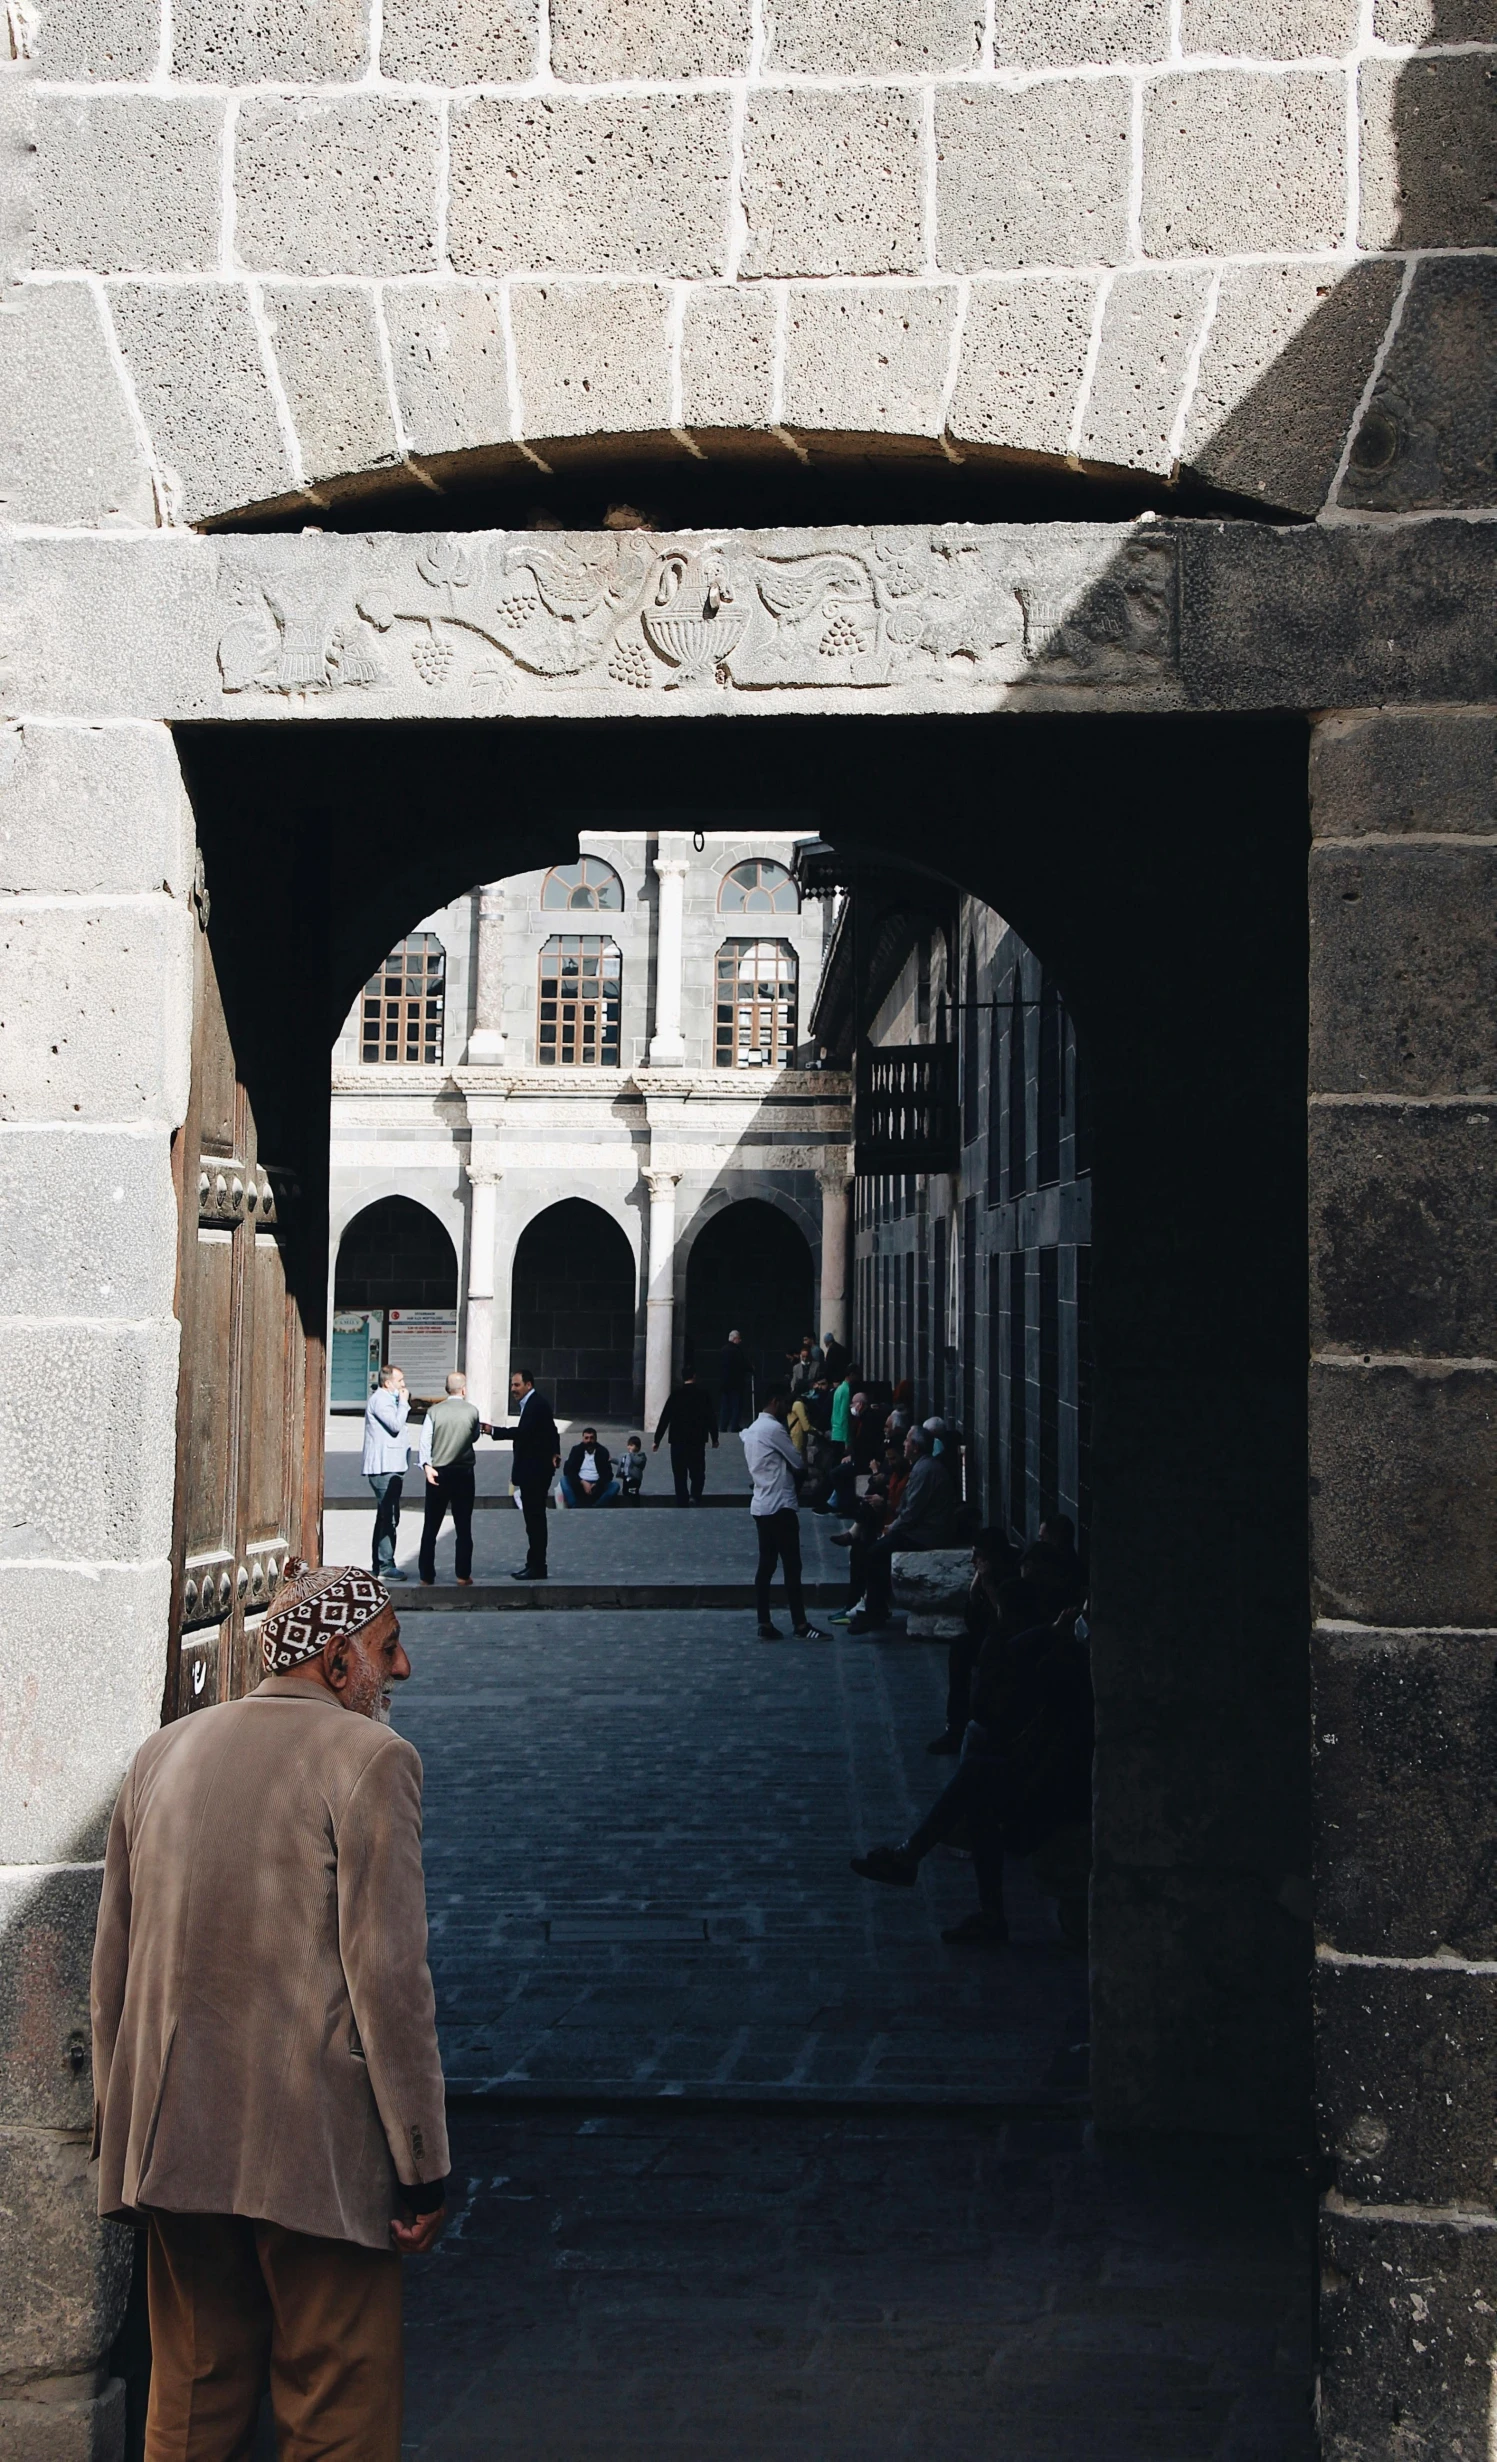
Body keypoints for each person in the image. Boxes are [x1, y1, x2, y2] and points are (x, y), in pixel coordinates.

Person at [91, 1558, 448, 2458]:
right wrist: (421, 2163)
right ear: (336, 1663)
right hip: (312, 2147)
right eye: (388, 1648)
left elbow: (114, 1972)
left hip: (171, 2144)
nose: (399, 1671)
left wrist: (119, 2130)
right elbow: (390, 1979)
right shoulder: (372, 1759)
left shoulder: (161, 1752)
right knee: (336, 2401)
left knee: (191, 2399)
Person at [851, 1598, 1094, 1947]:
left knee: (978, 1777)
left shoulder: (1064, 1668)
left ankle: (911, 1857)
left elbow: (1006, 1666)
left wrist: (1049, 1634)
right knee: (978, 1784)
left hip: (1059, 1793)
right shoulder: (1066, 1662)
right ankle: (932, 1873)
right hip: (1049, 1778)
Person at [846, 1425, 958, 1635]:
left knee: (876, 1552)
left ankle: (874, 1612)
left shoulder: (924, 1470)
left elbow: (910, 1513)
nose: (903, 1445)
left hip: (926, 1534)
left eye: (906, 1441)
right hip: (921, 1528)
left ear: (915, 1447)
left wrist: (891, 1529)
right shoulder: (922, 1467)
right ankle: (874, 1607)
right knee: (874, 1547)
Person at [741, 1386, 827, 1643]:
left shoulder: (752, 1430)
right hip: (780, 1504)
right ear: (775, 1402)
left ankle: (764, 1621)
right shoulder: (773, 1429)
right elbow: (798, 1461)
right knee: (792, 1565)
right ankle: (800, 1623)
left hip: (761, 1503)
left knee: (766, 1565)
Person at [491, 1367, 562, 1580]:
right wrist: (555, 1451)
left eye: (517, 1385)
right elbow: (552, 1430)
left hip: (536, 1472)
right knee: (533, 1520)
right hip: (535, 1470)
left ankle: (538, 1566)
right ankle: (534, 1563)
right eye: (512, 1385)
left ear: (528, 1385)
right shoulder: (533, 1403)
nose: (513, 1389)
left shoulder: (536, 1405)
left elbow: (524, 1433)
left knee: (535, 1520)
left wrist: (494, 1431)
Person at [417, 1370, 482, 1587]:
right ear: (464, 1389)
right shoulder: (472, 1411)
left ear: (446, 1389)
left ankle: (426, 1576)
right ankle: (463, 1575)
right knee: (463, 1526)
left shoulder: (434, 1411)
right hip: (464, 1473)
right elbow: (474, 1436)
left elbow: (425, 1440)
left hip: (438, 1472)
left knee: (431, 1526)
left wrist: (426, 1465)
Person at [360, 1362, 410, 1580]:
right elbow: (395, 1424)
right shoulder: (381, 1399)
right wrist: (405, 1404)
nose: (403, 1385)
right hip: (384, 1467)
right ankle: (385, 1565)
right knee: (388, 1516)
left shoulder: (388, 1398)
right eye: (400, 1381)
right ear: (388, 1383)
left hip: (392, 1465)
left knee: (385, 1516)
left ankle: (380, 1564)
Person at [653, 1366, 719, 1503]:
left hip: (678, 1440)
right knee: (698, 1471)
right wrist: (715, 1437)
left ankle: (682, 1498)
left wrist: (657, 1439)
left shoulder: (675, 1395)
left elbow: (665, 1418)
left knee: (679, 1472)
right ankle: (695, 1495)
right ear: (694, 1376)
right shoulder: (703, 1395)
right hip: (697, 1440)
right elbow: (710, 1417)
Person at [561, 1427, 620, 1506]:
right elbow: (568, 1470)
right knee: (563, 1480)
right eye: (586, 1438)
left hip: (598, 1486)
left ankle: (597, 1506)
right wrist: (582, 1482)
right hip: (579, 1484)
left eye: (591, 1438)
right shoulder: (576, 1450)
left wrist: (596, 1484)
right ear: (583, 1439)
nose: (589, 1441)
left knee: (615, 1486)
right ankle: (574, 1506)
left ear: (595, 1439)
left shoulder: (602, 1451)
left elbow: (608, 1474)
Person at [718, 1329, 750, 1434]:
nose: (740, 1341)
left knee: (725, 1406)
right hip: (736, 1383)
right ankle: (734, 1425)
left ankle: (723, 1426)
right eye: (739, 1338)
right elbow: (742, 1365)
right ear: (735, 1339)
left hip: (724, 1383)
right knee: (736, 1405)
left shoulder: (723, 1350)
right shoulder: (737, 1351)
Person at [620, 1435, 647, 1499]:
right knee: (625, 1491)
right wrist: (612, 1460)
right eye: (628, 1445)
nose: (629, 1447)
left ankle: (636, 1504)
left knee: (633, 1492)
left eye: (632, 1445)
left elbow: (637, 1462)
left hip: (634, 1478)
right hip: (627, 1477)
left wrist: (632, 1454)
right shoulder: (627, 1455)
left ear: (637, 1447)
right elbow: (621, 1461)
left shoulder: (641, 1456)